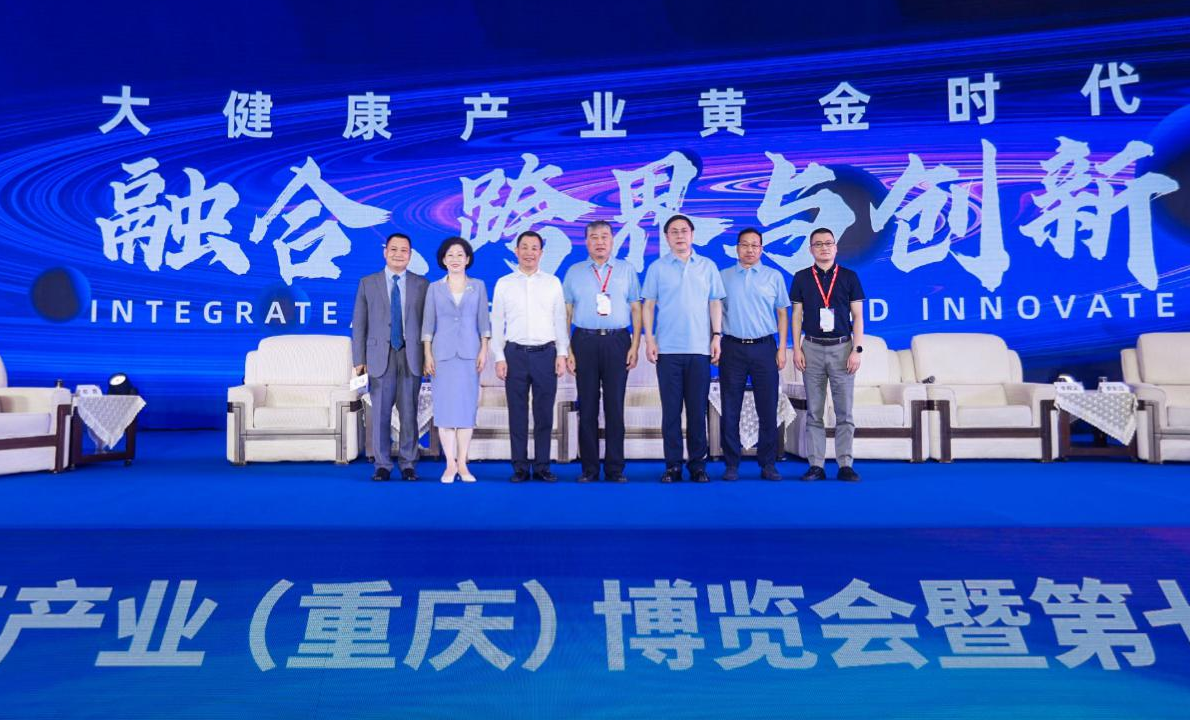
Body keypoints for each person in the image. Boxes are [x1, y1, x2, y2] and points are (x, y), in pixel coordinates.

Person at [641, 214, 726, 483]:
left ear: (692, 234)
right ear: (666, 238)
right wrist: (649, 339)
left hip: (700, 349)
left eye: (684, 231)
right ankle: (673, 466)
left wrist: (716, 336)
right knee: (671, 412)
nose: (680, 235)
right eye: (674, 232)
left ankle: (698, 466)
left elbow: (715, 302)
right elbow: (648, 305)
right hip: (667, 350)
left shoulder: (707, 266)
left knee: (697, 411)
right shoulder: (657, 268)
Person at [563, 220, 642, 484]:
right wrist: (568, 349)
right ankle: (589, 469)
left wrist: (635, 345)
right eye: (594, 237)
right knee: (587, 407)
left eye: (605, 236)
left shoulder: (626, 270)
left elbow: (636, 308)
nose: (600, 242)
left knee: (614, 406)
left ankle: (615, 468)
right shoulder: (574, 272)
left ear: (612, 241)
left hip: (617, 341)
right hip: (584, 341)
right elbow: (566, 312)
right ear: (586, 242)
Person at [490, 230, 569, 483]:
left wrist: (562, 353)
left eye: (534, 248)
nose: (529, 253)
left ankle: (543, 466)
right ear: (516, 251)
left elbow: (560, 320)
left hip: (546, 353)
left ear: (541, 253)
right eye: (524, 247)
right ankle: (520, 467)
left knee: (544, 413)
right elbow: (497, 321)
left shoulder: (552, 283)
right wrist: (499, 356)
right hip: (514, 354)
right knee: (517, 413)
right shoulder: (504, 283)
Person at [351, 232, 429, 482]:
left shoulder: (422, 284)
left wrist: (429, 357)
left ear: (410, 255)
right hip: (378, 356)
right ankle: (382, 465)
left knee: (409, 414)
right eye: (393, 249)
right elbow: (359, 324)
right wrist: (358, 360)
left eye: (404, 250)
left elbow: (428, 325)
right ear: (385, 252)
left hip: (411, 355)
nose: (398, 254)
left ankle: (408, 464)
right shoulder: (367, 283)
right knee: (381, 415)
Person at [790, 227, 865, 482]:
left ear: (836, 247)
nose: (824, 248)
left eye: (828, 243)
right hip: (811, 348)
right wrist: (796, 348)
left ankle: (845, 464)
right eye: (818, 244)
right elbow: (797, 316)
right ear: (811, 249)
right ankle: (816, 465)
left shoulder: (849, 277)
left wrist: (856, 350)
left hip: (842, 348)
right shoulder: (801, 277)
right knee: (814, 412)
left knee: (844, 412)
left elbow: (858, 316)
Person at [719, 227, 790, 481]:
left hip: (764, 348)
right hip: (732, 347)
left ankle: (768, 463)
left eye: (755, 245)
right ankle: (731, 464)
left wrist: (782, 348)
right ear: (737, 248)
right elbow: (715, 312)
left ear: (761, 249)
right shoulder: (723, 276)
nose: (750, 250)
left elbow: (782, 313)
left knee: (767, 407)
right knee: (730, 408)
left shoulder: (774, 276)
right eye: (745, 245)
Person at [422, 237, 490, 484]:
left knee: (465, 410)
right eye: (450, 255)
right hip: (442, 356)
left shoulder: (478, 286)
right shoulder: (434, 288)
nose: (455, 259)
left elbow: (484, 322)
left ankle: (463, 463)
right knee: (445, 410)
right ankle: (450, 464)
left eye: (460, 255)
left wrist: (484, 350)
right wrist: (427, 354)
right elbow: (428, 324)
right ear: (443, 259)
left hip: (470, 355)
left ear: (468, 259)